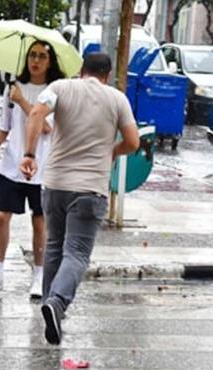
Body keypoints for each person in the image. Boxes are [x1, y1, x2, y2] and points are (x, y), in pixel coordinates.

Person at [20, 53, 139, 345]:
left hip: (56, 184)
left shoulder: (60, 87)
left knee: (54, 248)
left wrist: (29, 154)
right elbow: (133, 142)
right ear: (107, 75)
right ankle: (57, 303)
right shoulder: (117, 99)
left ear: (81, 71)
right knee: (77, 252)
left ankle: (51, 307)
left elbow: (36, 113)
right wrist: (112, 151)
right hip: (90, 189)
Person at [0, 40, 64, 299]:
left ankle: (38, 277)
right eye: (32, 55)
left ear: (50, 62)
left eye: (41, 56)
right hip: (12, 165)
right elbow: (5, 124)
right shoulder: (13, 89)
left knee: (40, 222)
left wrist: (24, 102)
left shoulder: (53, 92)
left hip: (42, 168)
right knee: (1, 217)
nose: (35, 61)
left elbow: (47, 127)